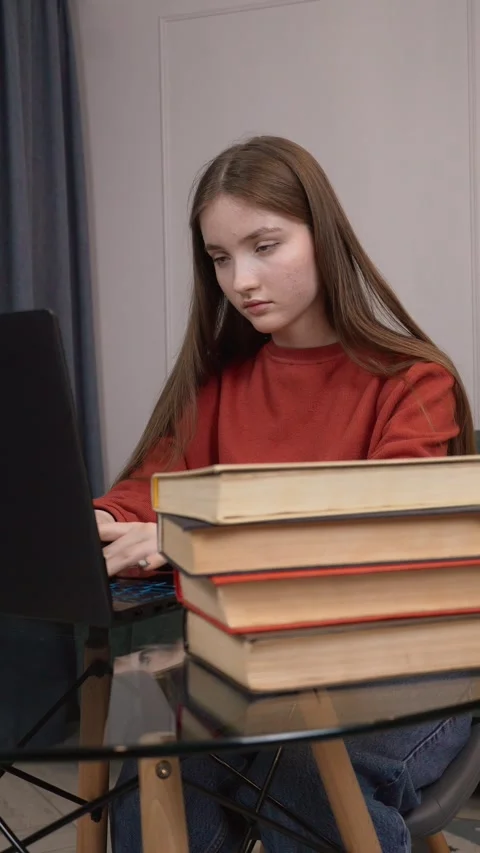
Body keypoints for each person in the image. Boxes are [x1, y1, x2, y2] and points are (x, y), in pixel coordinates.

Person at [93, 136, 475, 853]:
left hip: (409, 669)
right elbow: (141, 494)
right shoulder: (218, 387)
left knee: (297, 771)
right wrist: (98, 521)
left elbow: (379, 543)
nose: (241, 279)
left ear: (321, 234)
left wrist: (182, 537)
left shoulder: (413, 381)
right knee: (161, 772)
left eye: (264, 245)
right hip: (259, 674)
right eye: (219, 257)